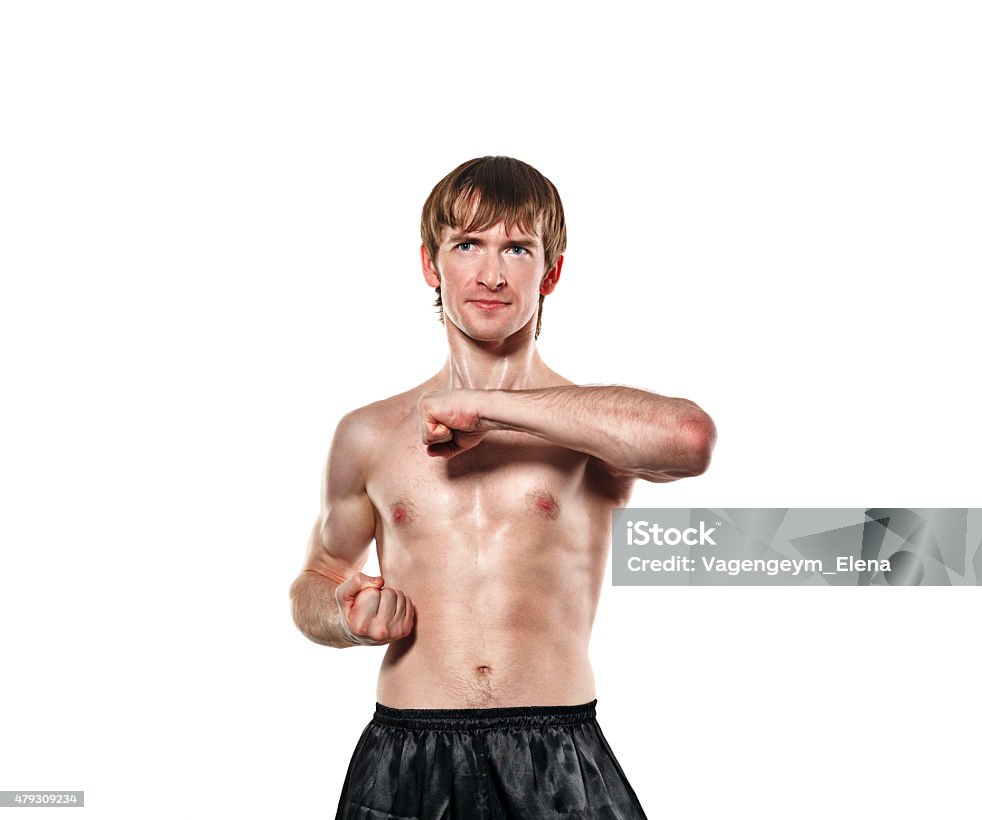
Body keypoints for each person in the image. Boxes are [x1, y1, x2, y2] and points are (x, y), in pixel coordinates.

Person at [289, 156, 716, 819]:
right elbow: (317, 579)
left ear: (551, 270)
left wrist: (491, 408)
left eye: (517, 247)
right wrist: (345, 617)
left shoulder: (589, 426)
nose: (491, 274)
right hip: (408, 753)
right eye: (469, 245)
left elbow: (688, 439)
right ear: (433, 265)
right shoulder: (368, 433)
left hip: (557, 752)